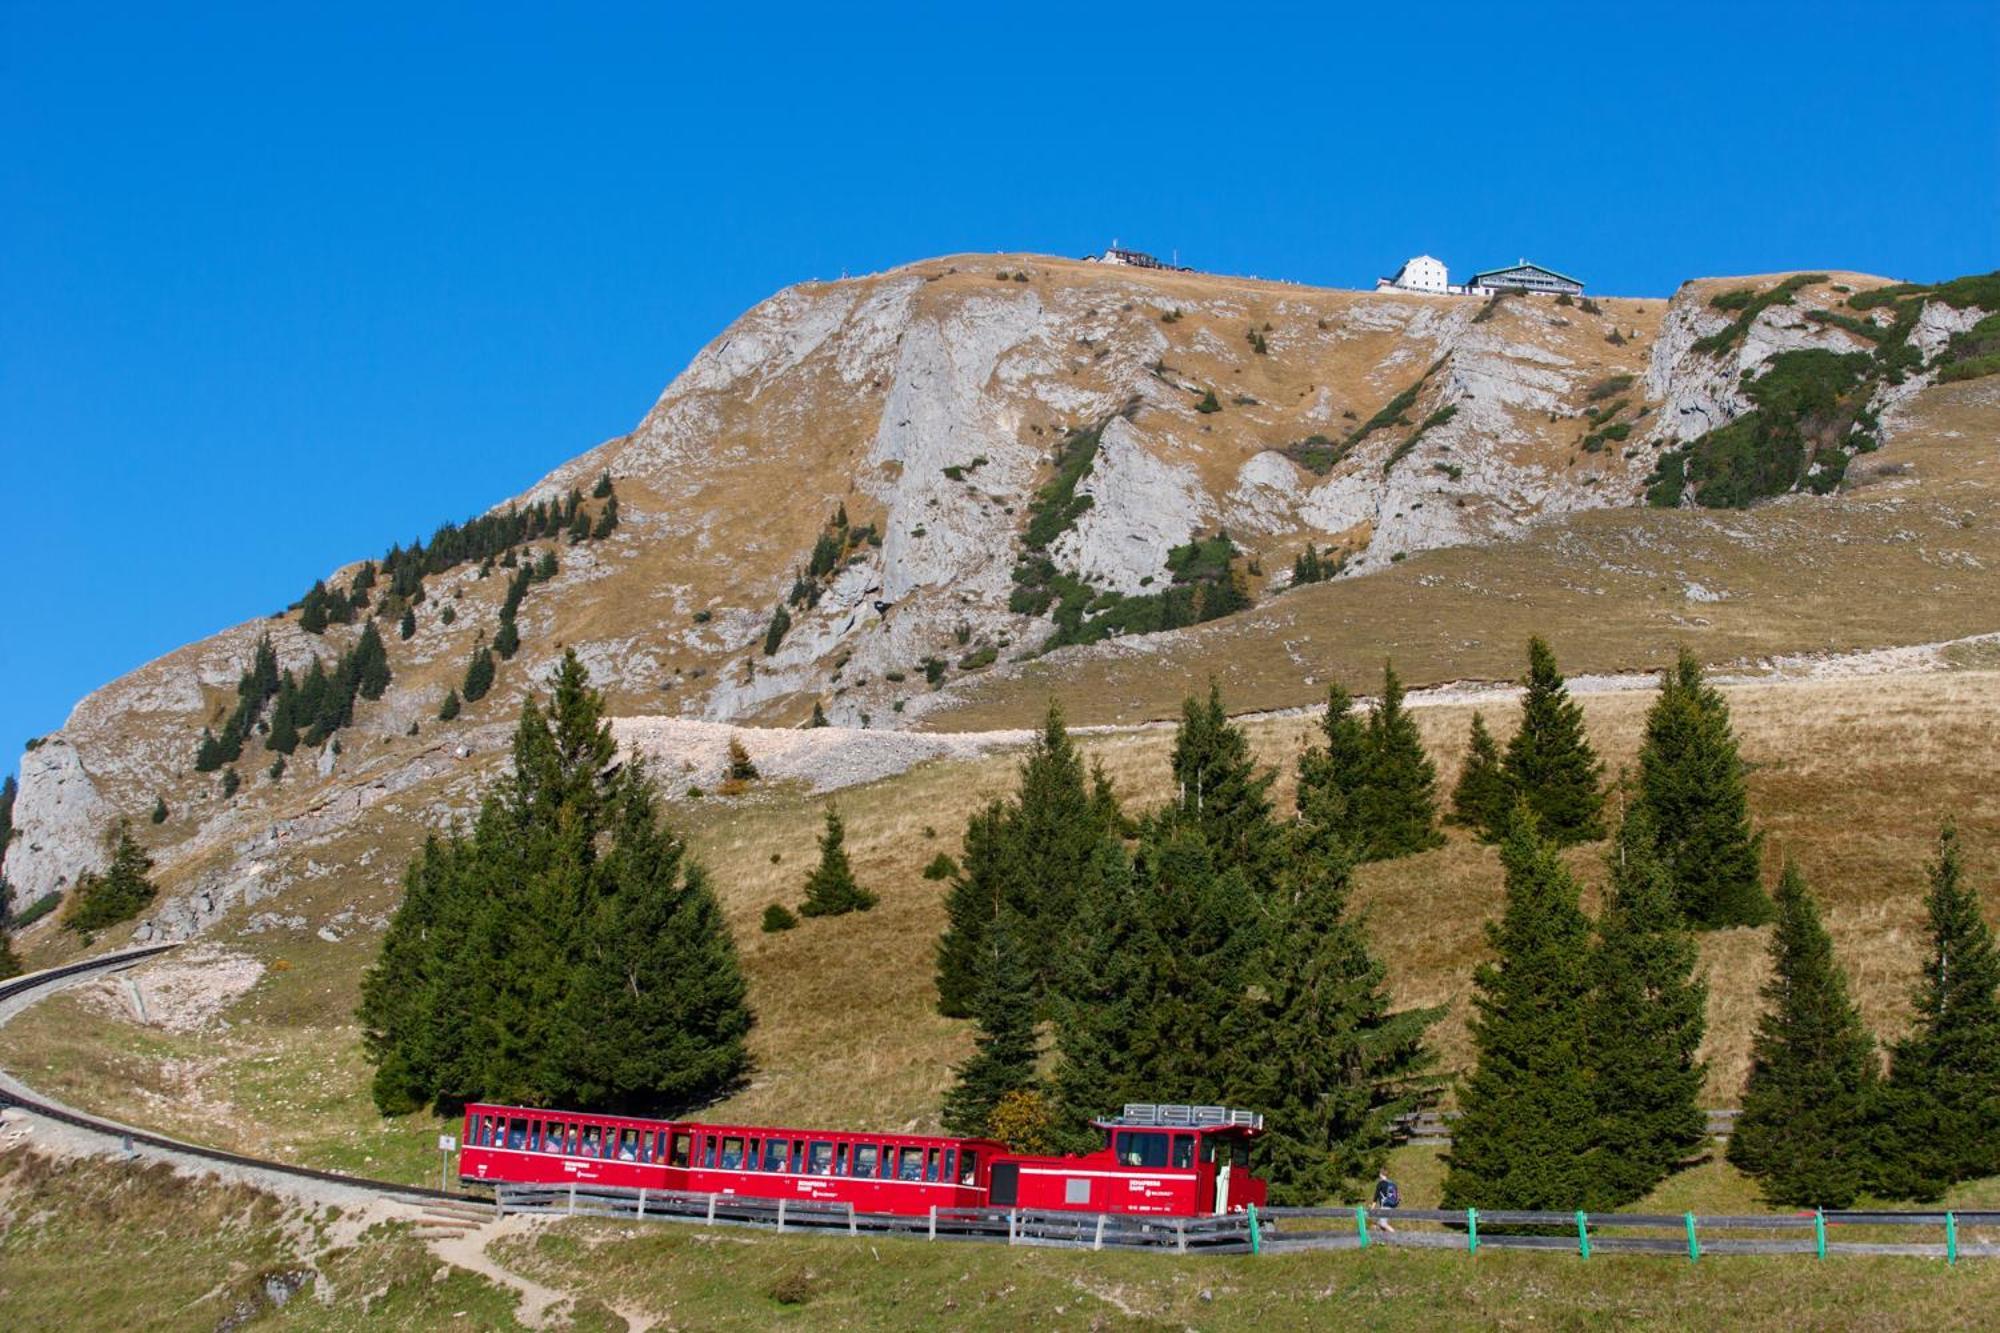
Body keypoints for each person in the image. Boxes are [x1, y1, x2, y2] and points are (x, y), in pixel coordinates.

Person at [1373, 1169, 1400, 1234]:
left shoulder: (1380, 1183)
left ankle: (1396, 1236)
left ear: (1380, 1174)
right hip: (1392, 1205)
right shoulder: (1392, 1183)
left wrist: (1372, 1207)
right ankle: (1383, 1241)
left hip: (1385, 1206)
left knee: (1383, 1224)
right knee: (1379, 1223)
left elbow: (1375, 1197)